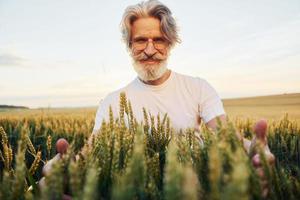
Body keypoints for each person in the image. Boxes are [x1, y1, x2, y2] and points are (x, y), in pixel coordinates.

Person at [43, 0, 275, 198]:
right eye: (141, 40)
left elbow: (227, 135)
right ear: (129, 45)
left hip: (190, 193)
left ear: (170, 43)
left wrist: (255, 150)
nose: (150, 49)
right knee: (41, 189)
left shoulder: (198, 88)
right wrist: (64, 167)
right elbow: (90, 152)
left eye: (159, 40)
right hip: (133, 194)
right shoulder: (112, 102)